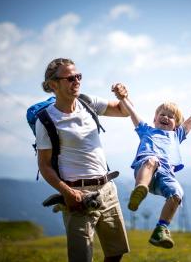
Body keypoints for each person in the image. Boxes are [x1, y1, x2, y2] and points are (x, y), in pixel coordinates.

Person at [35, 58, 130, 262]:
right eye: (70, 78)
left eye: (78, 76)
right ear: (53, 85)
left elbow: (124, 111)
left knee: (116, 252)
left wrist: (123, 96)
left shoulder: (88, 102)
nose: (76, 81)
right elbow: (43, 164)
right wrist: (67, 192)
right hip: (77, 196)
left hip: (107, 189)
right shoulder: (45, 120)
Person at [112, 83, 191, 249]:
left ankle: (161, 229)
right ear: (154, 119)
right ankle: (140, 190)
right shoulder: (146, 130)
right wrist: (123, 98)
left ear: (176, 124)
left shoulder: (177, 135)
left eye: (171, 116)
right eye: (162, 114)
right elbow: (133, 113)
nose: (166, 117)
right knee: (152, 161)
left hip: (166, 175)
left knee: (178, 193)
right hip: (145, 169)